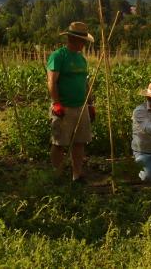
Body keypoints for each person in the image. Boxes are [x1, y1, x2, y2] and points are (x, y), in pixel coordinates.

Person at [47, 22, 95, 183]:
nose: (83, 44)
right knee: (59, 143)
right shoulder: (59, 56)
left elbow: (85, 83)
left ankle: (77, 174)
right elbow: (52, 82)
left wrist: (90, 103)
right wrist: (56, 103)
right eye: (82, 41)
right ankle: (57, 175)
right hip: (64, 107)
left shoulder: (81, 59)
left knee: (80, 142)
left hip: (81, 107)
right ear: (72, 39)